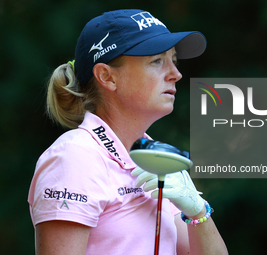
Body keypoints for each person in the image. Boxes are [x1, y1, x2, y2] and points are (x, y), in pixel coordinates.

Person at [28, 9, 228, 255]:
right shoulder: (74, 156)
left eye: (173, 60)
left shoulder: (157, 157)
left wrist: (198, 212)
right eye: (157, 61)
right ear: (107, 77)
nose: (176, 74)